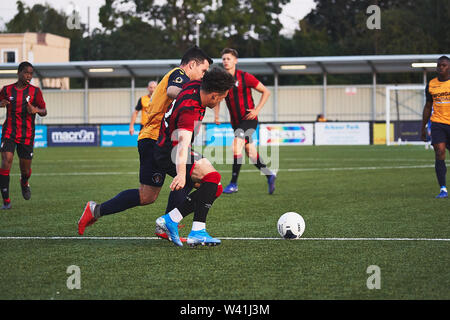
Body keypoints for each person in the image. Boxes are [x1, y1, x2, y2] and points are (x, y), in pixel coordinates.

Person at [79, 67, 235, 247]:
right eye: (222, 98)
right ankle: (190, 228)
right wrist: (181, 173)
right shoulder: (190, 109)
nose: (221, 102)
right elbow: (182, 144)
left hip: (163, 145)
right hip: (169, 150)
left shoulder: (194, 85)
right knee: (212, 178)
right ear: (214, 95)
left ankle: (171, 221)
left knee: (210, 187)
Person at [214, 48, 276, 195]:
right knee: (251, 153)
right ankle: (269, 175)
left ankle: (233, 183)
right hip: (235, 122)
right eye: (223, 59)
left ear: (235, 61)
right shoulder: (222, 80)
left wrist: (257, 110)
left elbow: (266, 91)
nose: (225, 61)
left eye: (228, 58)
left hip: (249, 119)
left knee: (236, 146)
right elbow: (217, 99)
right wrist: (216, 116)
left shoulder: (244, 77)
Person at [0, 61, 47, 209]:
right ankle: (6, 201)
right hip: (9, 132)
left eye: (31, 73)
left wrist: (36, 110)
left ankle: (24, 182)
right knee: (6, 160)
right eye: (26, 72)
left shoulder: (35, 91)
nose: (29, 76)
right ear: (19, 73)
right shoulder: (7, 90)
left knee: (25, 170)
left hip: (27, 134)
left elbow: (44, 111)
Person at [421, 55, 450, 198]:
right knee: (439, 152)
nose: (441, 68)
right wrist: (422, 127)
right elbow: (428, 106)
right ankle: (443, 189)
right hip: (438, 123)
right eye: (439, 65)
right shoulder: (431, 84)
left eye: (444, 65)